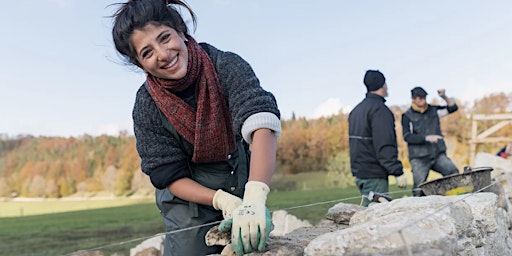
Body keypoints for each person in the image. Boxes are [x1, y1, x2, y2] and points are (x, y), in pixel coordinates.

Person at [111, 0, 281, 255]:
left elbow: (260, 121)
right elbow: (168, 175)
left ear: (181, 31)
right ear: (140, 64)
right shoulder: (146, 104)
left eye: (165, 37)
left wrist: (255, 197)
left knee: (250, 247)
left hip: (240, 180)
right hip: (187, 201)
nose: (163, 54)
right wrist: (220, 199)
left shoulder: (226, 65)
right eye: (147, 52)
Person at [348, 70, 406, 207]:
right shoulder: (380, 110)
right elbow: (384, 144)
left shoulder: (356, 111)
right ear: (383, 85)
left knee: (367, 213)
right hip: (374, 174)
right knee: (374, 219)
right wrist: (397, 171)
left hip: (361, 173)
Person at [401, 87, 459, 196]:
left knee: (453, 173)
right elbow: (407, 136)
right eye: (420, 98)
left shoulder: (434, 110)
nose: (423, 100)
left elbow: (453, 108)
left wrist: (444, 97)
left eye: (424, 97)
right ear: (413, 99)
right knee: (419, 190)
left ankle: (448, 198)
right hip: (419, 158)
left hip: (437, 154)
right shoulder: (407, 116)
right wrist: (425, 138)